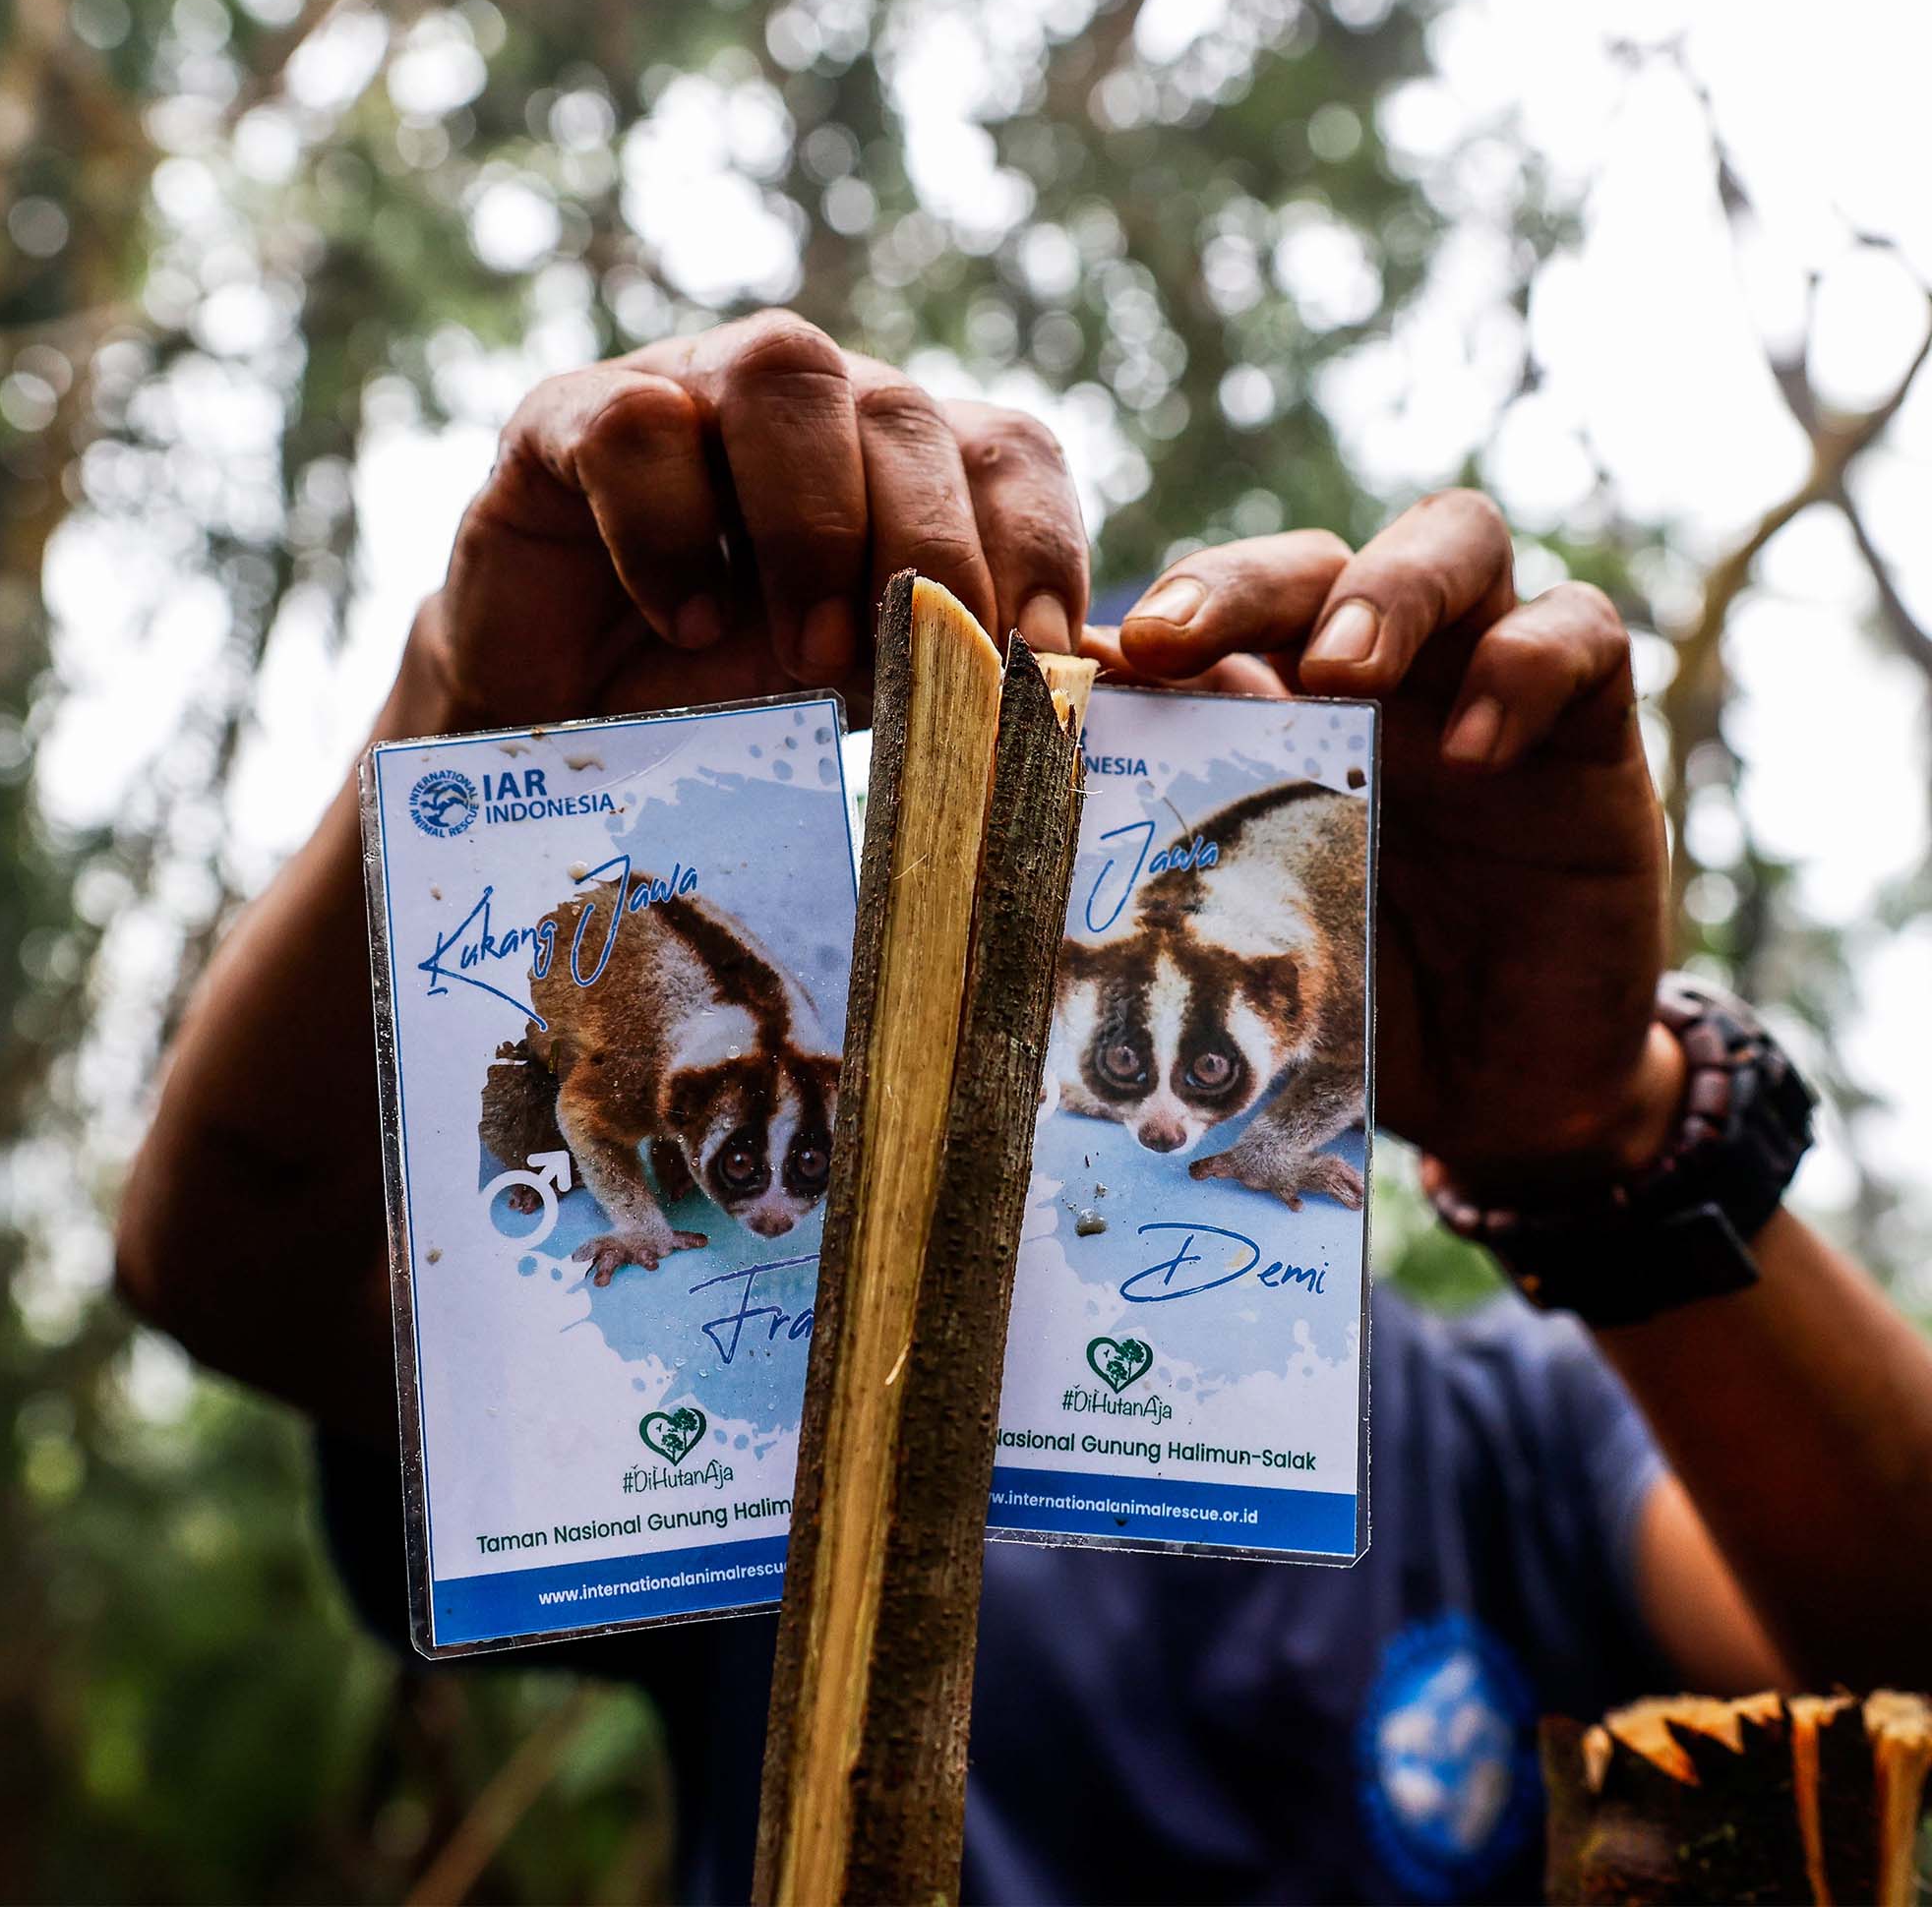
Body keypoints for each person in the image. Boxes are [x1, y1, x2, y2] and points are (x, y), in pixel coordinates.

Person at [116, 311, 1932, 1905]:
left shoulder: (1508, 1434)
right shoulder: (794, 1376)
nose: (1134, 1121)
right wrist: (476, 741)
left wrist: (1602, 1138)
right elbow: (237, 1269)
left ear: (1305, 1000)